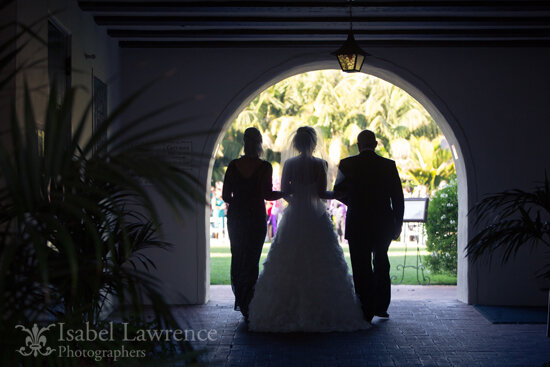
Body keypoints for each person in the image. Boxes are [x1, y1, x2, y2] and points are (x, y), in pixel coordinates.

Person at [248, 126, 370, 332]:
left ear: (296, 144)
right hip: (316, 217)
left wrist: (295, 202)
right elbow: (322, 193)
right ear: (313, 144)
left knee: (288, 259)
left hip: (295, 216)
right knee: (320, 259)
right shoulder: (320, 164)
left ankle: (285, 310)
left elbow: (285, 192)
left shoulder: (289, 164)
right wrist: (343, 195)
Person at [334, 130, 404, 322]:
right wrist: (398, 223)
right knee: (381, 262)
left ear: (358, 145)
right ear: (375, 144)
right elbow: (398, 198)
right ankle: (382, 306)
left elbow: (338, 192)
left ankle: (365, 308)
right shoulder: (388, 165)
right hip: (383, 222)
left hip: (357, 221)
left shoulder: (347, 164)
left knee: (360, 265)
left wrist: (354, 202)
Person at [222, 127, 284, 321]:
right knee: (251, 261)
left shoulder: (233, 165)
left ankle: (241, 300)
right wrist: (285, 193)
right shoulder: (265, 167)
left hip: (236, 218)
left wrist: (240, 200)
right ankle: (249, 304)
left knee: (238, 258)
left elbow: (225, 196)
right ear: (259, 143)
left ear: (243, 142)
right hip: (256, 217)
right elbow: (267, 195)